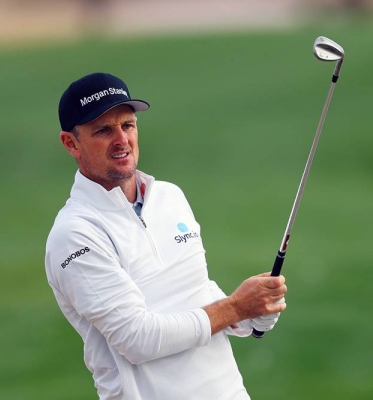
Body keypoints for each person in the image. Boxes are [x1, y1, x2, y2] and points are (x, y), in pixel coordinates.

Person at [45, 72, 288, 400]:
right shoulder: (74, 234)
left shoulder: (169, 197)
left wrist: (254, 313)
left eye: (128, 125)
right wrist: (236, 308)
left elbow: (196, 292)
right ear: (71, 143)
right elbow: (137, 339)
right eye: (103, 130)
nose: (121, 140)